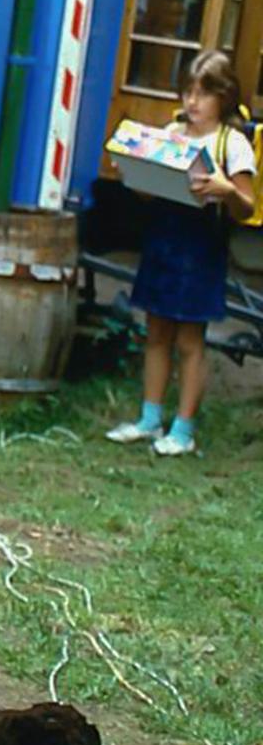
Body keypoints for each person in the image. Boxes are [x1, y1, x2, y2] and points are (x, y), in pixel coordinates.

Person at [107, 50, 255, 456]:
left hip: (201, 248)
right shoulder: (171, 132)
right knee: (156, 331)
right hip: (163, 239)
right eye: (188, 91)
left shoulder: (232, 143)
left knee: (190, 340)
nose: (192, 102)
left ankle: (184, 429)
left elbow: (247, 206)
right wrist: (133, 172)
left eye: (203, 94)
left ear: (222, 98)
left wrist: (226, 190)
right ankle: (149, 419)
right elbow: (150, 190)